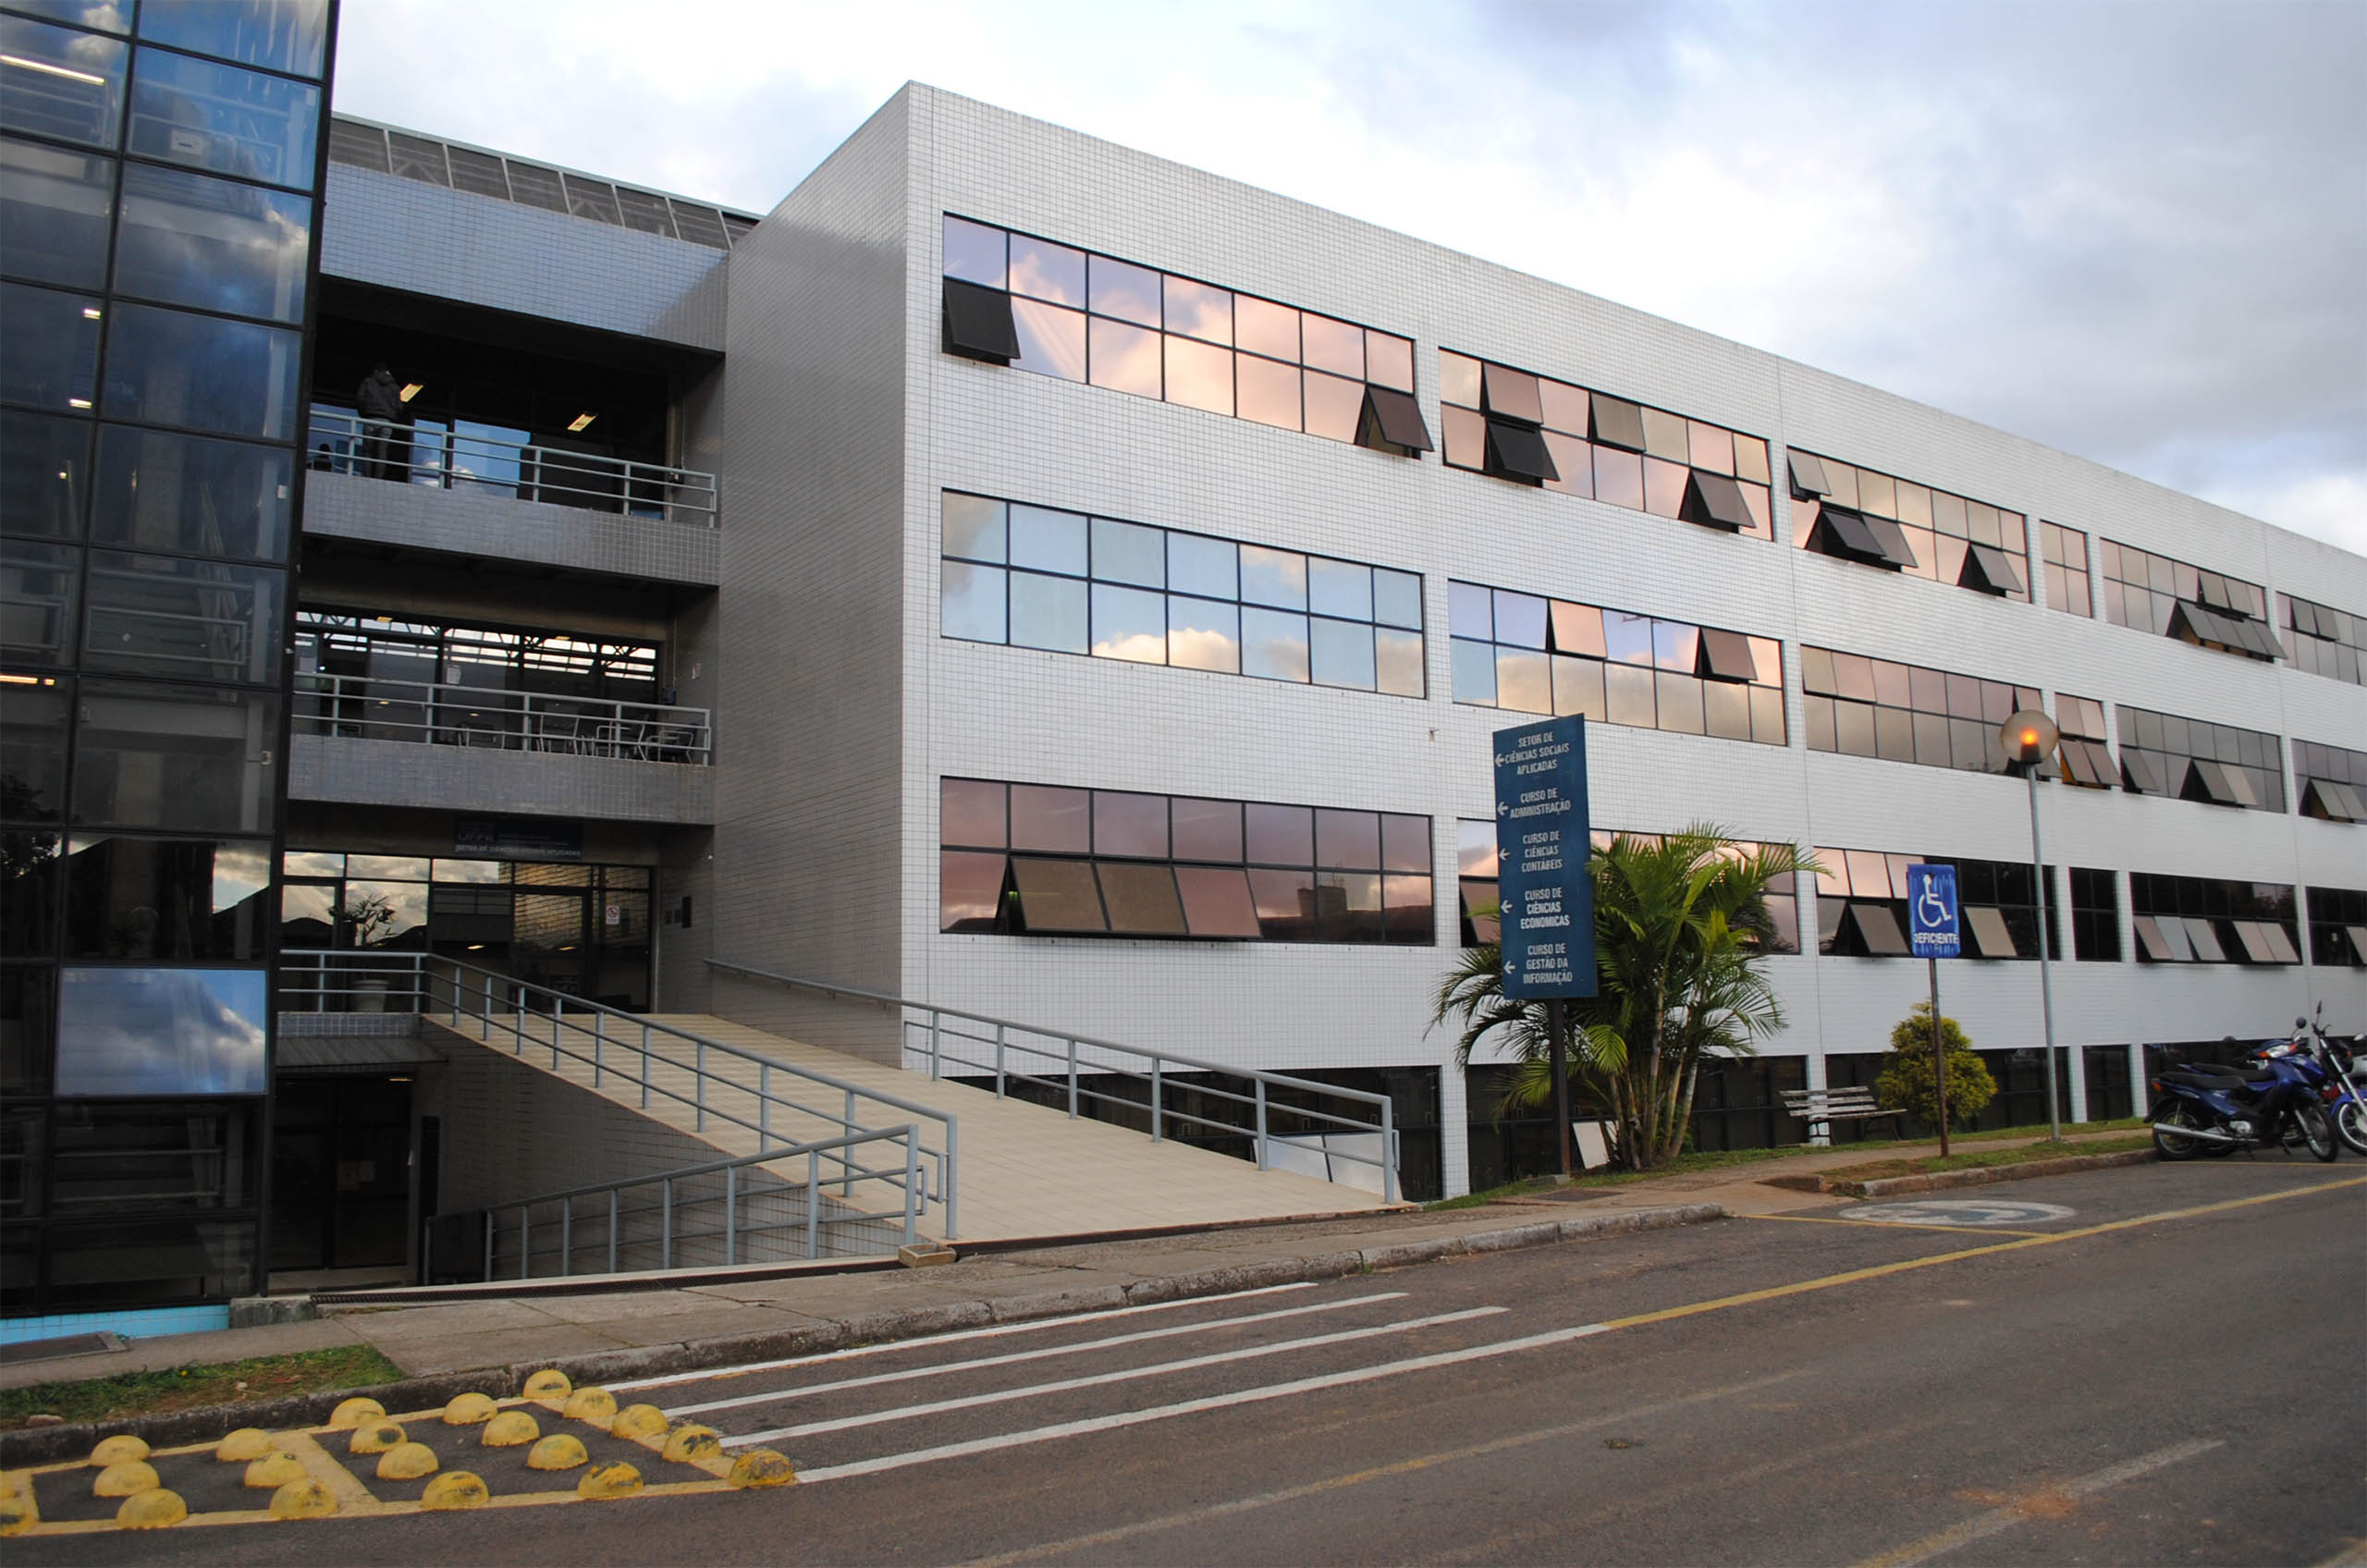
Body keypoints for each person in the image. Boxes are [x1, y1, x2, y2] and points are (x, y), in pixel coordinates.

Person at [356, 361, 405, 480]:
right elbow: (399, 407)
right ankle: (378, 479)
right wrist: (392, 417)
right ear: (388, 372)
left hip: (371, 419)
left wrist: (364, 414)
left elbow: (360, 400)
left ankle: (367, 477)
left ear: (375, 371)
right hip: (386, 422)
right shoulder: (395, 387)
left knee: (368, 451)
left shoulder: (368, 382)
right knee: (382, 452)